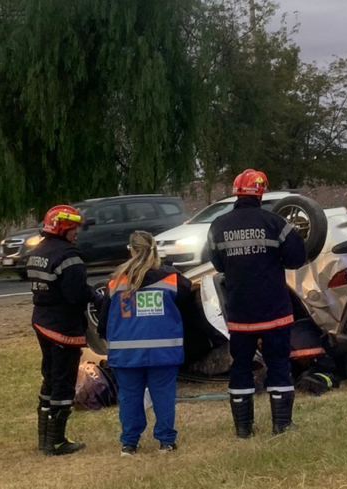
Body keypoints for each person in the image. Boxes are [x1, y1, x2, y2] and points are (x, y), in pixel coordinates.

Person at [207, 169, 307, 437]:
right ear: (261, 193)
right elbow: (297, 258)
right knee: (278, 364)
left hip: (239, 311)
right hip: (274, 310)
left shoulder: (218, 225)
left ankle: (242, 429)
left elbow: (217, 264)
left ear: (236, 192)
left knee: (240, 366)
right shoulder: (276, 223)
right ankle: (282, 425)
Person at [97, 230, 194, 456]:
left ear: (130, 250)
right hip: (164, 351)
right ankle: (166, 442)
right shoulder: (173, 279)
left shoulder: (115, 282)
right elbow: (188, 307)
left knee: (130, 397)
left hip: (125, 352)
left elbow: (102, 323)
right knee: (163, 396)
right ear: (154, 249)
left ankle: (129, 444)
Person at [27, 205, 99, 456]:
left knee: (49, 377)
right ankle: (56, 442)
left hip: (42, 322)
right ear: (62, 228)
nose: (76, 233)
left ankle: (44, 440)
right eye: (73, 228)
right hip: (62, 328)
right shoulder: (68, 256)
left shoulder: (38, 252)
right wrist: (97, 297)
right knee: (64, 383)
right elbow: (77, 294)